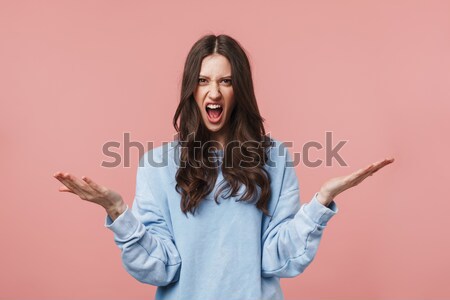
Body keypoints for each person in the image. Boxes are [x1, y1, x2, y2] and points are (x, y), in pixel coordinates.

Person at [53, 34, 394, 300]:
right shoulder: (157, 165)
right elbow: (161, 269)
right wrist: (117, 212)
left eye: (226, 81)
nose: (213, 91)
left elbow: (278, 260)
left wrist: (320, 203)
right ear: (191, 89)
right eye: (203, 81)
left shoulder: (274, 159)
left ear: (239, 89)